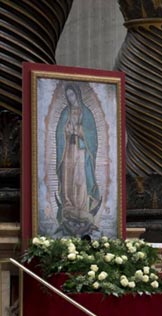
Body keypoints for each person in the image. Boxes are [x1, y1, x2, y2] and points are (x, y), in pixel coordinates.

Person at [55, 83, 101, 237]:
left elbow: (92, 135)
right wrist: (66, 131)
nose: (70, 98)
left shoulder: (86, 113)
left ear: (77, 95)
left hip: (81, 151)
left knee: (80, 178)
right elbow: (59, 133)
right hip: (68, 150)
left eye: (72, 95)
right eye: (68, 96)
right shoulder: (64, 113)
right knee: (68, 177)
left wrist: (80, 131)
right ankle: (68, 206)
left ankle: (82, 208)